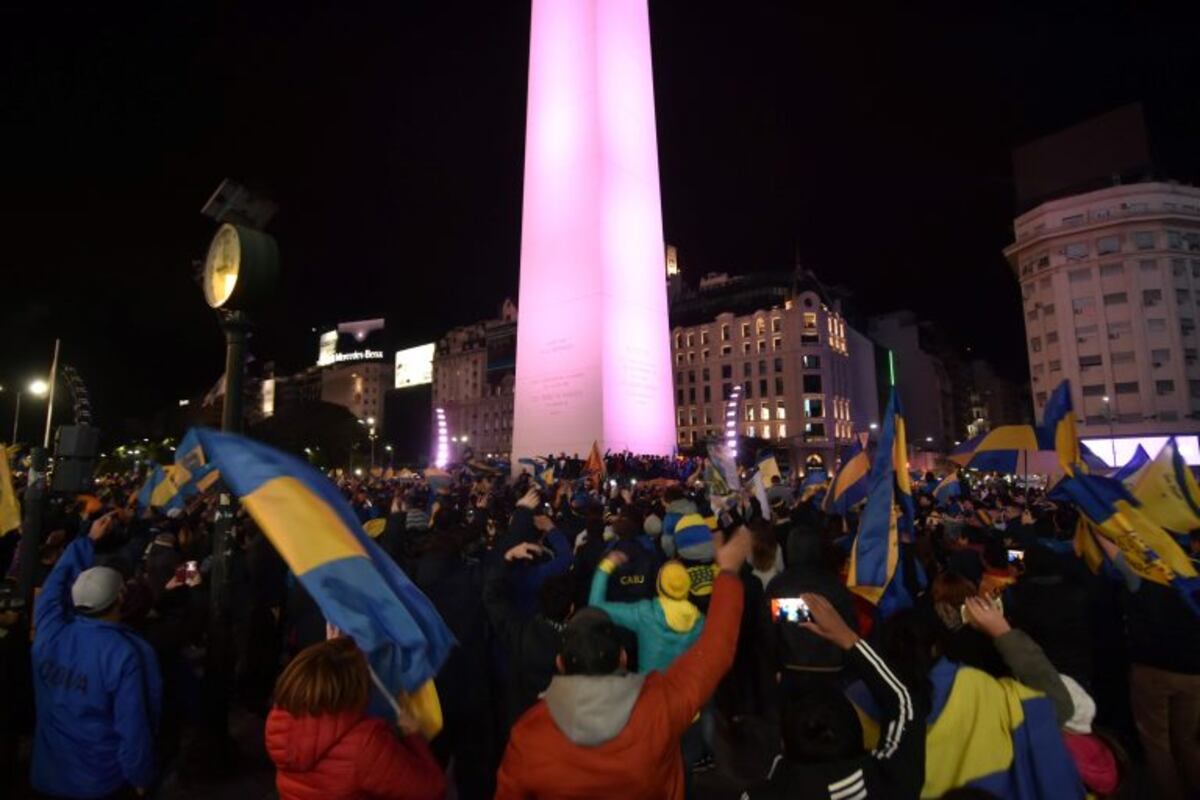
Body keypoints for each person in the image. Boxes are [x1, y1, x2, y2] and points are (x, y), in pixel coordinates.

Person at [494, 523, 751, 799]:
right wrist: (727, 573)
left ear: (560, 663)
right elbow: (716, 649)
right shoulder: (660, 707)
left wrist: (605, 568)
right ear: (623, 657)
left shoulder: (529, 735)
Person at [30, 510, 163, 799]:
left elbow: (55, 584)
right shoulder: (123, 654)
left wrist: (86, 541)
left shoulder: (50, 632)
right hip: (100, 781)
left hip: (48, 773)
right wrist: (140, 777)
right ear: (120, 599)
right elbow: (133, 726)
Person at [741, 594, 922, 799]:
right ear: (859, 739)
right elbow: (902, 700)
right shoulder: (891, 781)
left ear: (784, 744)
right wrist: (847, 637)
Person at [265, 636, 446, 800]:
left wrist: (334, 653)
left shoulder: (280, 718)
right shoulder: (365, 743)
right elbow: (432, 790)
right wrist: (413, 736)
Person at [587, 550, 703, 673]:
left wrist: (607, 565)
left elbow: (595, 607)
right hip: (688, 690)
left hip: (649, 689)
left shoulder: (646, 614)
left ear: (658, 586)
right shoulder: (700, 622)